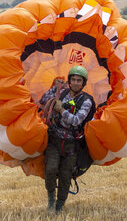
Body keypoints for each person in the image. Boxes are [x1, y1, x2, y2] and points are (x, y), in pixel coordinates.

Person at [44, 66, 95, 213]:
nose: (76, 83)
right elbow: (43, 100)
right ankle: (51, 200)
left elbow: (76, 121)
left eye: (79, 80)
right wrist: (54, 89)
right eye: (73, 79)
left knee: (66, 176)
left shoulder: (86, 101)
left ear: (83, 83)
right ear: (69, 80)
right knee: (51, 169)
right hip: (55, 139)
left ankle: (59, 206)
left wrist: (61, 110)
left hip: (72, 144)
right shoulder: (62, 92)